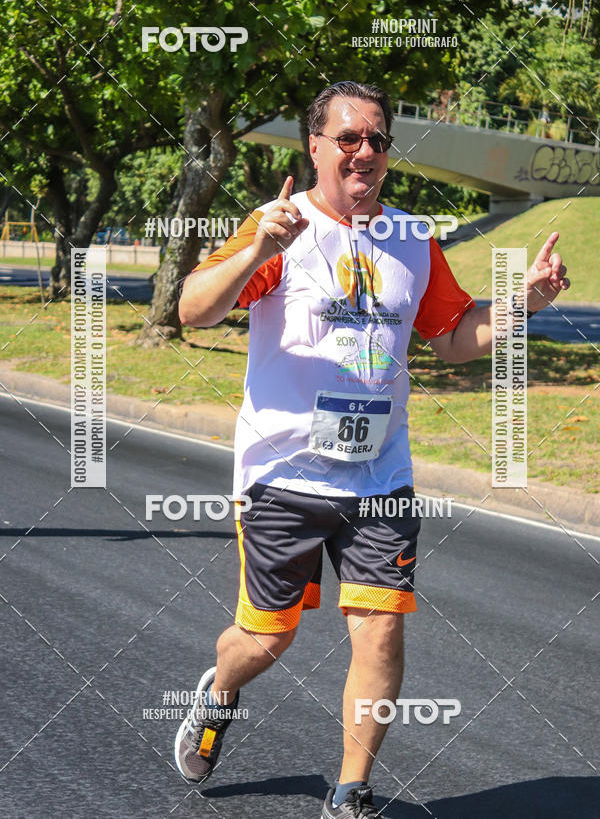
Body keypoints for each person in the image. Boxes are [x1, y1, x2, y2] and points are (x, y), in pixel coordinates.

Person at [175, 80, 570, 818]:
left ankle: (350, 791)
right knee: (266, 640)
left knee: (382, 631)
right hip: (283, 474)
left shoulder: (412, 240)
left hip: (379, 478)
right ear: (316, 146)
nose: (365, 151)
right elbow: (194, 310)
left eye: (378, 139)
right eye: (348, 137)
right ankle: (221, 691)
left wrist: (527, 304)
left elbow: (452, 338)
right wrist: (260, 243)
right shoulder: (280, 225)